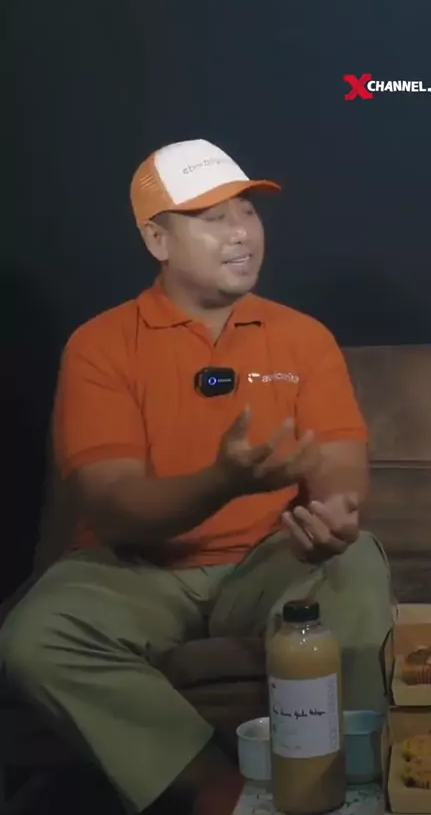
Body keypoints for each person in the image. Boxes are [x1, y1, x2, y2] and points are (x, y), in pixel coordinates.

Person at [0, 139, 393, 813]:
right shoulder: (100, 345)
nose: (241, 233)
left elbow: (339, 462)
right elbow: (116, 507)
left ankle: (356, 788)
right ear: (157, 239)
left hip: (270, 558)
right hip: (134, 569)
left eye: (247, 212)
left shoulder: (303, 338)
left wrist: (335, 512)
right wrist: (221, 481)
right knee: (35, 636)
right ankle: (223, 794)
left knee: (356, 562)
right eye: (213, 218)